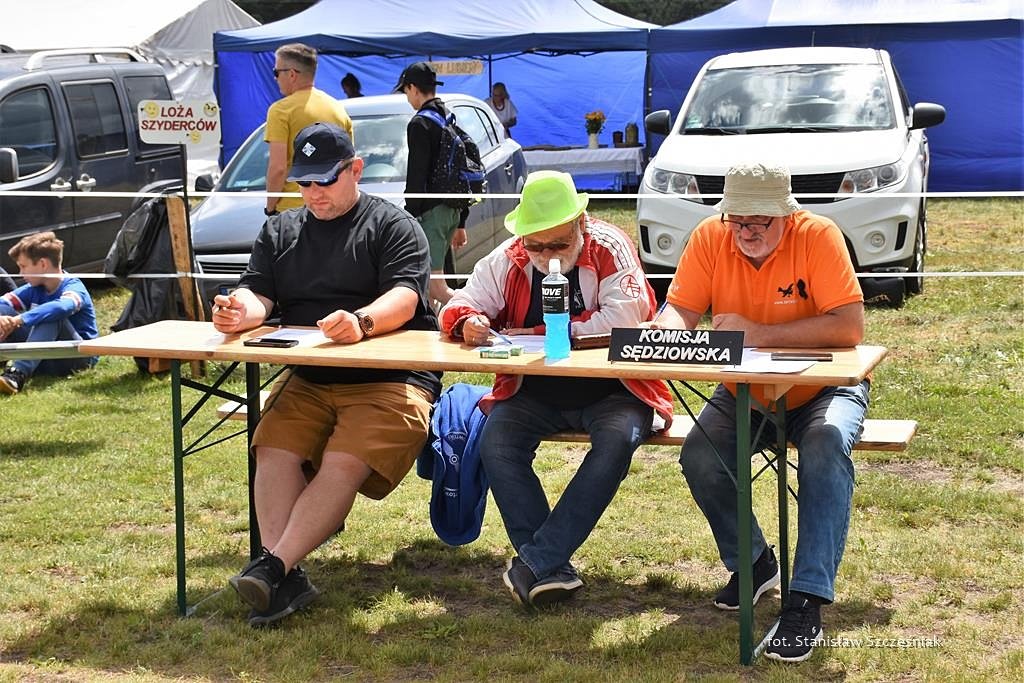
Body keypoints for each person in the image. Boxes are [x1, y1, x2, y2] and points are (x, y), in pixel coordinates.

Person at [211, 122, 442, 627]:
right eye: (304, 181)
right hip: (311, 376)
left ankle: (273, 567)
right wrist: (239, 311)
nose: (313, 191)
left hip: (393, 378)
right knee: (272, 448)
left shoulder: (394, 225)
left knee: (343, 461)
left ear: (355, 170)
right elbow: (258, 291)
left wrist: (362, 322)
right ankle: (283, 574)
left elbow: (406, 296)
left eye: (325, 179)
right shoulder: (280, 230)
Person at [653, 162, 867, 662]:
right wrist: (666, 329)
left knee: (826, 445)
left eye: (758, 222)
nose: (745, 231)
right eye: (736, 220)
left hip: (823, 390)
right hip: (744, 391)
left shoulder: (819, 236)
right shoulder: (710, 236)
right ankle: (754, 564)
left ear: (786, 215)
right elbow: (681, 308)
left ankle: (806, 600)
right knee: (700, 456)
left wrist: (758, 333)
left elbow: (849, 327)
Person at [439, 170, 673, 608]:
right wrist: (469, 321)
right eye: (536, 246)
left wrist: (532, 332)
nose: (547, 255)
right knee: (497, 443)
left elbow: (626, 319)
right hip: (534, 391)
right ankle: (549, 569)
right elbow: (458, 304)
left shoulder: (611, 246)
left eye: (559, 245)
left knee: (615, 443)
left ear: (581, 224)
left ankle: (537, 562)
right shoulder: (509, 256)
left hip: (616, 390)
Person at [394, 61, 468, 307]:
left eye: (405, 91)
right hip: (451, 211)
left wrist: (410, 216)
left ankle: (477, 313)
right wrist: (462, 219)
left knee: (436, 288)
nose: (407, 98)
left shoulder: (420, 124)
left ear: (413, 88)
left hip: (431, 214)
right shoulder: (447, 116)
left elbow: (416, 174)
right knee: (428, 284)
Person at [0, 232, 98, 395]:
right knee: (4, 312)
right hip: (43, 356)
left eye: (23, 266)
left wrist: (20, 319)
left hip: (76, 358)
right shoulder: (33, 288)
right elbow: (3, 303)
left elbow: (62, 308)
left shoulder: (74, 288)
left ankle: (17, 374)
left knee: (52, 314)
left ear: (43, 264)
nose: (20, 273)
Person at [264, 43, 353, 217]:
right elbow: (348, 162)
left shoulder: (281, 110)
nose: (275, 78)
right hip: (334, 207)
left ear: (291, 74)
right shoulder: (337, 108)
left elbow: (278, 168)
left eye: (276, 72)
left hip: (292, 210)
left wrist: (270, 207)